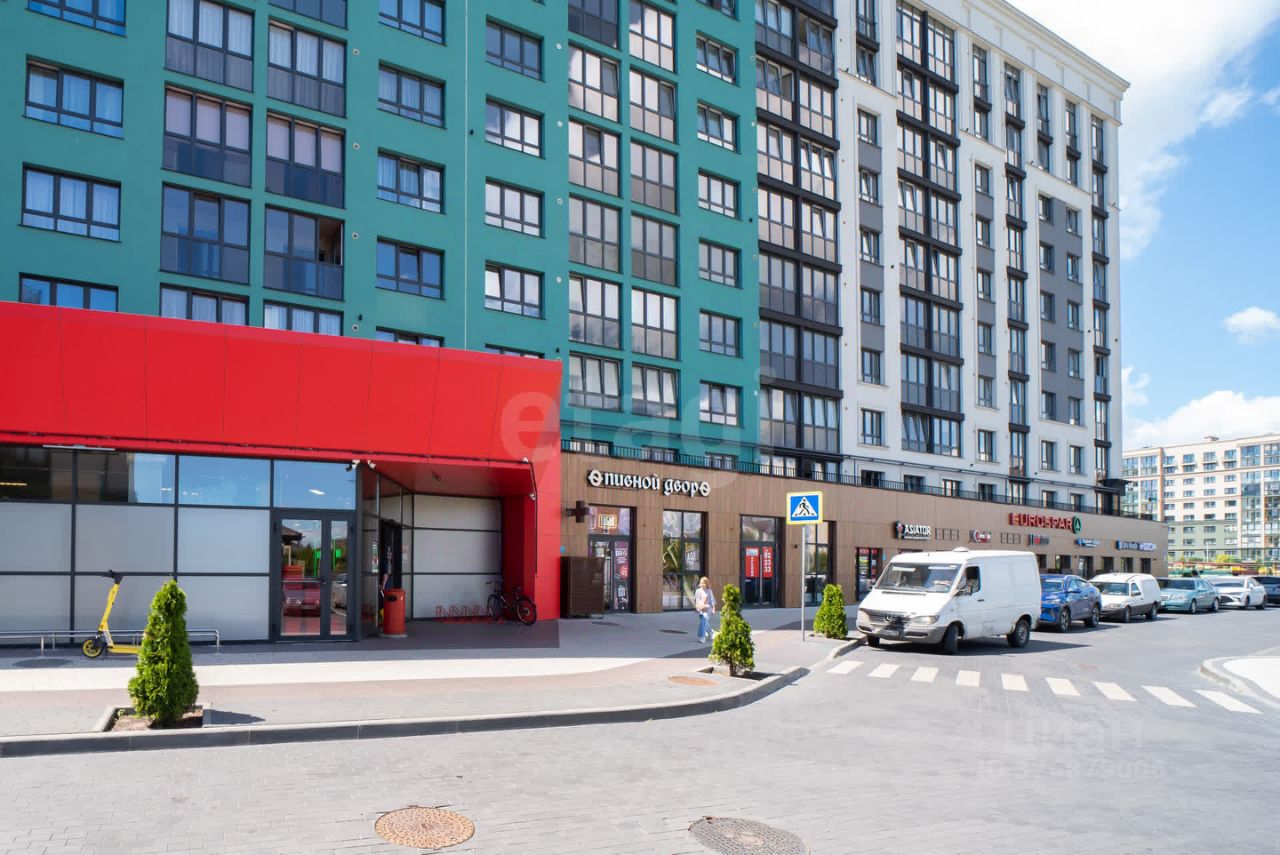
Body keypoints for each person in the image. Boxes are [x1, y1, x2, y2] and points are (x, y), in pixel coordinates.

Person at [694, 577, 717, 643]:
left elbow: (712, 600)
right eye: (701, 583)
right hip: (700, 609)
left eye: (704, 583)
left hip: (708, 609)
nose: (702, 584)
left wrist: (713, 609)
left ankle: (702, 637)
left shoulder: (709, 591)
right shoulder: (698, 591)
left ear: (707, 584)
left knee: (703, 621)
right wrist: (697, 608)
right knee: (705, 623)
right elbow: (696, 600)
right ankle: (711, 633)